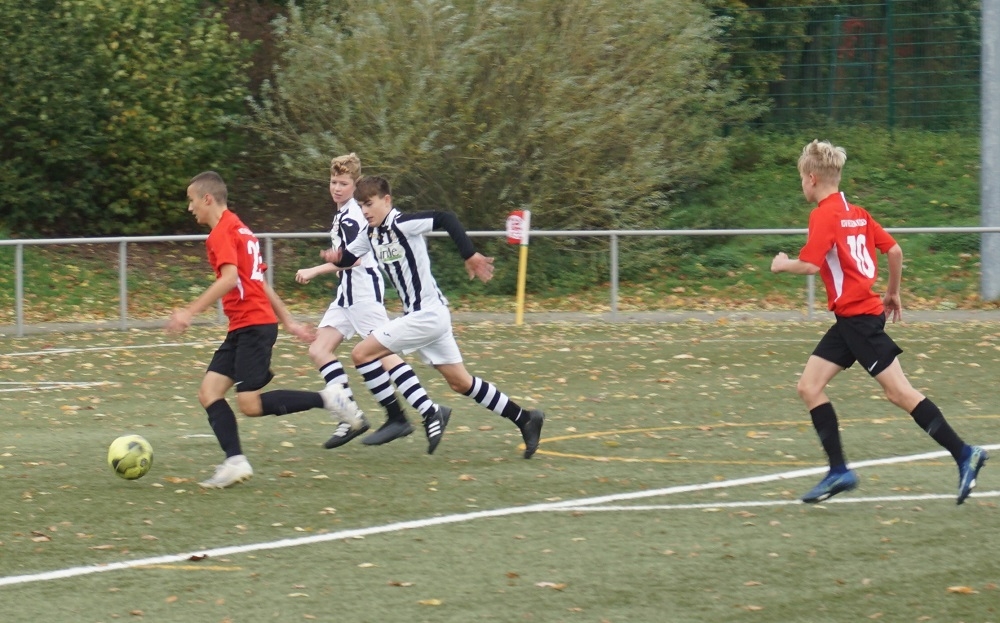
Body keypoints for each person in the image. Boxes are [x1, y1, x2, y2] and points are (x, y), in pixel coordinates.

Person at [771, 139, 987, 504]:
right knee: (809, 386)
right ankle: (838, 471)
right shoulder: (858, 213)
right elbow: (895, 250)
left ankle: (965, 453)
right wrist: (893, 293)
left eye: (801, 179)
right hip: (852, 319)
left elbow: (809, 265)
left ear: (811, 178)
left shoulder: (824, 215)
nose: (802, 185)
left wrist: (781, 264)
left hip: (859, 320)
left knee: (899, 392)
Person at [165, 171, 359, 489]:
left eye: (191, 200)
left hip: (253, 325)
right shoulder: (241, 228)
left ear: (207, 199)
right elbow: (259, 282)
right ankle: (235, 461)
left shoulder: (222, 233)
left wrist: (189, 311)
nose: (190, 208)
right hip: (247, 325)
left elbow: (230, 279)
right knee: (209, 393)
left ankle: (329, 398)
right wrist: (289, 321)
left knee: (250, 404)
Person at [327, 175, 544, 458]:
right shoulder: (370, 234)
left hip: (427, 315)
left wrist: (469, 254)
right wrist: (335, 256)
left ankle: (397, 418)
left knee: (361, 354)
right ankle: (525, 419)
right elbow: (349, 257)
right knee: (460, 382)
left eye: (369, 204)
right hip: (427, 317)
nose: (365, 211)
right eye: (360, 205)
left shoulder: (402, 223)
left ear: (386, 200)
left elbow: (446, 218)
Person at [294, 153, 447, 450]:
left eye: (343, 183)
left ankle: (425, 411)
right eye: (333, 182)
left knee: (384, 354)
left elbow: (356, 258)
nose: (337, 188)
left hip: (363, 294)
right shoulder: (344, 213)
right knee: (319, 349)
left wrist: (315, 270)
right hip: (346, 296)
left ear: (355, 185)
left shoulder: (353, 215)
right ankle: (350, 417)